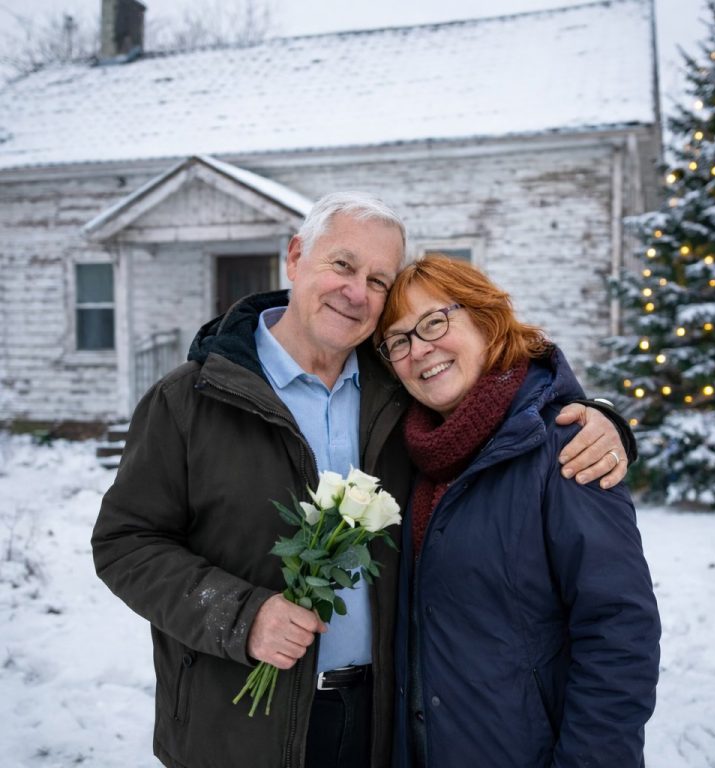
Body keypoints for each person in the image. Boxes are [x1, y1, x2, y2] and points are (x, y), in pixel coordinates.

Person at [91, 193, 634, 768]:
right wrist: (241, 616)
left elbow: (504, 390)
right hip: (240, 726)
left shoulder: (402, 388)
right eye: (343, 265)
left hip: (382, 724)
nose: (357, 292)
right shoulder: (191, 399)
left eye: (378, 280)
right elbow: (125, 542)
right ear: (295, 257)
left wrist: (596, 415)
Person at [374, 255, 661, 768]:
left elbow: (619, 632)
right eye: (399, 340)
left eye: (435, 321)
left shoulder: (565, 447)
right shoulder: (410, 456)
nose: (421, 349)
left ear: (485, 318)